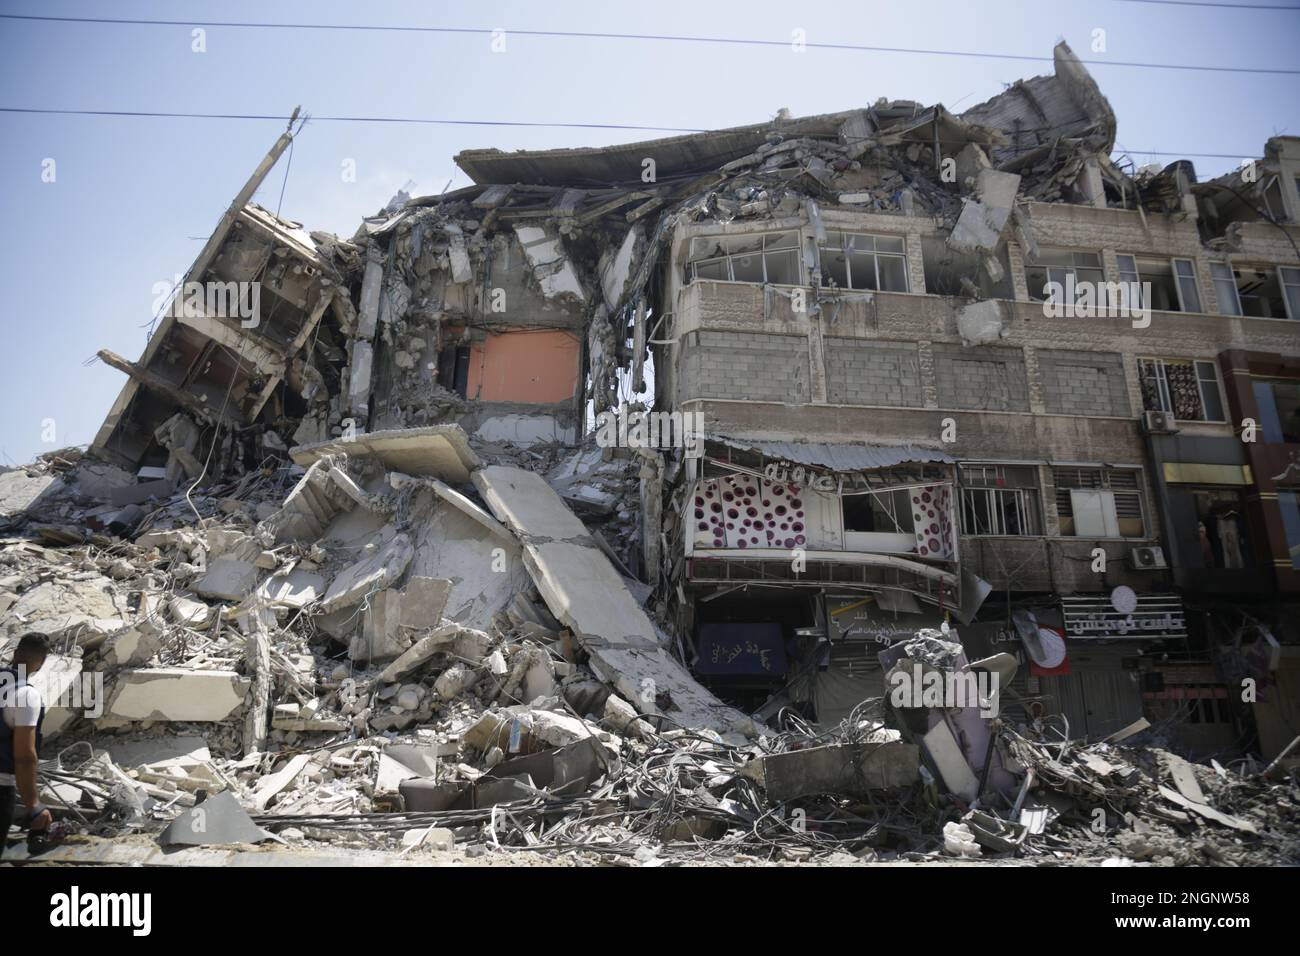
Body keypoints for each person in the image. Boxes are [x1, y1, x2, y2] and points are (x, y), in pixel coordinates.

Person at [0, 633, 52, 857]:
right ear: (41, 663)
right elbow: (24, 756)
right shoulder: (25, 695)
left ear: (14, 654)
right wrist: (33, 806)